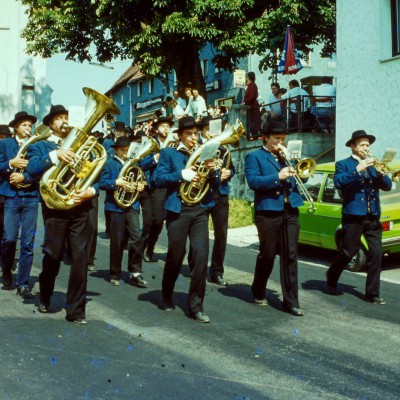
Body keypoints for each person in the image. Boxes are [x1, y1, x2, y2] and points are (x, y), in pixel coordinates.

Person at [26, 105, 96, 324]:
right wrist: (56, 154)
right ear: (50, 123)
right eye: (59, 118)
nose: (64, 121)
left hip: (79, 207)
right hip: (55, 208)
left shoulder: (83, 145)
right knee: (53, 255)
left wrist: (90, 191)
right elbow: (31, 170)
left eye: (66, 117)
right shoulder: (41, 146)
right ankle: (45, 295)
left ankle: (76, 311)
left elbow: (96, 173)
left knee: (80, 259)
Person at [153, 116, 221, 323]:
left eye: (195, 134)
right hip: (178, 210)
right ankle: (166, 295)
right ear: (180, 135)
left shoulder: (204, 153)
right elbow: (158, 179)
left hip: (200, 209)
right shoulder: (168, 153)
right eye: (189, 134)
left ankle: (196, 307)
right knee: (176, 255)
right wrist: (181, 174)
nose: (193, 138)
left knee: (201, 256)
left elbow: (216, 184)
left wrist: (213, 171)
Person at [326, 130, 392, 304]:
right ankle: (331, 276)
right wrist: (358, 169)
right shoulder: (343, 164)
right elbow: (339, 182)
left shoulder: (373, 166)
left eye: (368, 145)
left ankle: (372, 293)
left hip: (372, 216)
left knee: (377, 254)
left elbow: (387, 186)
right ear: (353, 147)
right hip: (353, 216)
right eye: (362, 145)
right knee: (348, 252)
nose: (366, 148)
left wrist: (379, 171)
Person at [244, 129, 304, 316]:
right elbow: (253, 182)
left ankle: (291, 301)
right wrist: (278, 176)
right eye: (277, 138)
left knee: (290, 255)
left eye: (283, 139)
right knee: (268, 254)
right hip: (268, 211)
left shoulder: (286, 157)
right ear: (266, 138)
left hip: (290, 210)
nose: (281, 142)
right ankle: (258, 288)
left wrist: (295, 164)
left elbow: (304, 176)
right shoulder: (254, 156)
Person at [99, 136, 147, 287]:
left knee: (137, 238)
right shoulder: (110, 163)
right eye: (122, 150)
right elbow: (102, 183)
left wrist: (141, 185)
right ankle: (115, 273)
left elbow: (142, 180)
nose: (125, 153)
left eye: (128, 151)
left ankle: (135, 272)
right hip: (115, 207)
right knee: (118, 242)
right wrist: (116, 183)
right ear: (116, 150)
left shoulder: (135, 163)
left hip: (132, 205)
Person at [0, 112, 39, 297]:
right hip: (11, 196)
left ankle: (23, 283)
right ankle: (7, 271)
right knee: (9, 238)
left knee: (28, 242)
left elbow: (41, 169)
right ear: (16, 127)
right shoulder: (4, 144)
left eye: (30, 126)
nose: (28, 128)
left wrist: (26, 176)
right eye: (24, 125)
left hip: (30, 196)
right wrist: (10, 163)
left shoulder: (36, 145)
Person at [199, 116, 235, 286]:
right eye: (207, 130)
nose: (210, 133)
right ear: (202, 132)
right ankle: (196, 266)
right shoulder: (198, 148)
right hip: (203, 193)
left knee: (221, 234)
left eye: (213, 130)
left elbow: (232, 168)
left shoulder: (224, 150)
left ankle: (217, 272)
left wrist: (229, 173)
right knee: (200, 233)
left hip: (220, 194)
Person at [139, 116, 174, 262]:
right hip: (155, 186)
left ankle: (150, 246)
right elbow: (141, 164)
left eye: (168, 126)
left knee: (163, 221)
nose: (166, 128)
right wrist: (155, 158)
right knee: (155, 220)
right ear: (156, 129)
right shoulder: (150, 144)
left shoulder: (173, 144)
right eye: (163, 126)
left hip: (170, 184)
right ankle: (144, 247)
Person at [0, 125, 12, 270]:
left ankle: (5, 258)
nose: (2, 140)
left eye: (5, 138)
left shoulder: (10, 151)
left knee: (5, 228)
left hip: (5, 192)